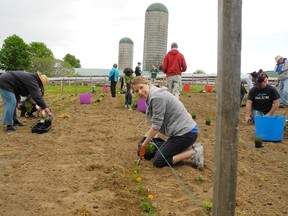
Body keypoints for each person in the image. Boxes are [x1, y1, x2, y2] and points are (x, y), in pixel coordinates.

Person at [131, 76, 204, 169]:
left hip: (186, 134)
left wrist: (144, 145)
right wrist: (146, 139)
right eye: (137, 91)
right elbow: (157, 122)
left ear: (148, 84)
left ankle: (194, 152)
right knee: (150, 152)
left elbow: (156, 126)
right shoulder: (152, 95)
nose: (140, 92)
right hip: (179, 132)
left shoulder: (157, 97)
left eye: (141, 88)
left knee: (158, 161)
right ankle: (186, 147)